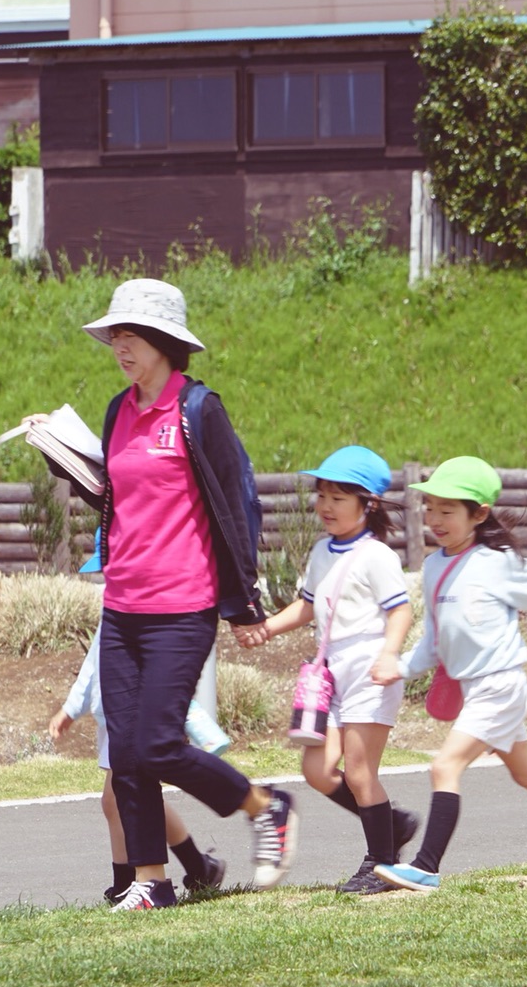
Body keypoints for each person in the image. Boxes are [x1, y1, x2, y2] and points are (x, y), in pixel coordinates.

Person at [71, 277, 296, 911]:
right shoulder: (119, 410)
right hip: (122, 605)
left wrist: (244, 600)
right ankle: (153, 882)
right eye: (115, 335)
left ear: (165, 342)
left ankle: (264, 805)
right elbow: (120, 495)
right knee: (126, 757)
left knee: (159, 743)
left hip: (182, 605)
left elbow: (236, 503)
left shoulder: (199, 410)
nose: (120, 345)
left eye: (131, 335)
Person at [374, 457, 527, 893]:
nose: (435, 519)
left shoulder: (495, 562)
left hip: (500, 685)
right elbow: (435, 638)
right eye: (430, 508)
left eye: (448, 510)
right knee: (526, 772)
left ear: (479, 514)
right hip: (478, 688)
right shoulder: (432, 568)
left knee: (444, 765)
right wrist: (402, 668)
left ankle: (426, 867)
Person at [237, 446, 420, 895]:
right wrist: (266, 630)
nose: (325, 506)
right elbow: (308, 605)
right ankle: (391, 824)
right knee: (317, 770)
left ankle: (381, 863)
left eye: (339, 496)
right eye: (322, 495)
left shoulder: (377, 556)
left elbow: (401, 611)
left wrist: (389, 655)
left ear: (368, 503)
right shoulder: (323, 551)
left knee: (359, 773)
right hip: (331, 672)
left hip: (369, 670)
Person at [49, 627, 225, 906]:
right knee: (130, 797)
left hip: (132, 711)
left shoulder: (135, 602)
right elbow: (95, 660)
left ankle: (127, 881)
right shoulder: (116, 603)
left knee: (118, 798)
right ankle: (198, 866)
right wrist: (72, 708)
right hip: (113, 713)